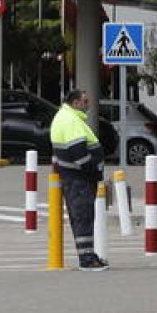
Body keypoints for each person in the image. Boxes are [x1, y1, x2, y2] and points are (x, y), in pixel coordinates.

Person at [50, 88, 108, 272]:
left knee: (81, 217)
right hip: (79, 178)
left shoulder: (64, 117)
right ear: (75, 103)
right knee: (83, 217)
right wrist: (93, 171)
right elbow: (79, 153)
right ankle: (87, 259)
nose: (88, 105)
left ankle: (88, 255)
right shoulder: (71, 120)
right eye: (85, 102)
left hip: (73, 177)